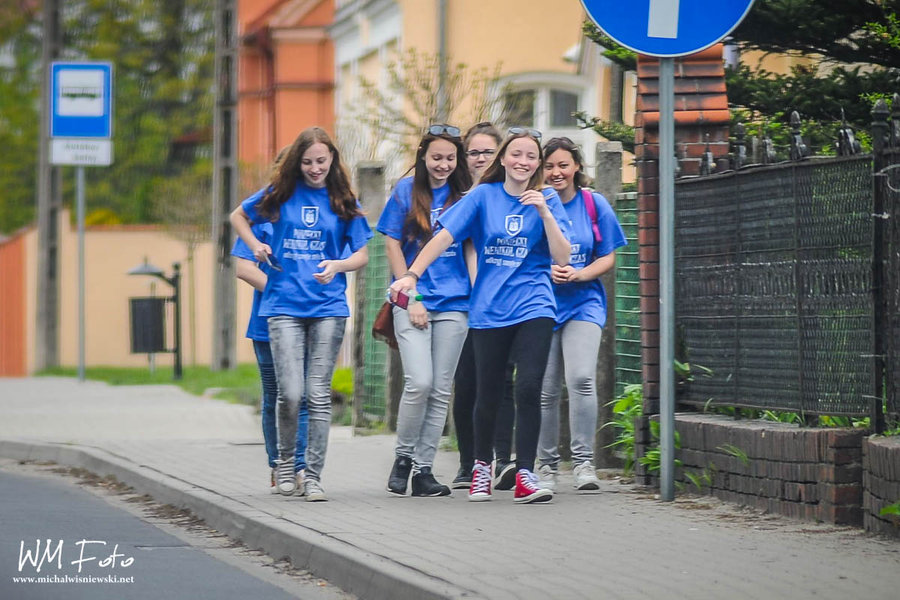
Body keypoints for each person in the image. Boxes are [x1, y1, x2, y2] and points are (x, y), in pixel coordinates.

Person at [390, 128, 571, 504]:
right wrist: (411, 275)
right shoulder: (483, 197)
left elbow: (562, 256)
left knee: (528, 386)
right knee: (487, 394)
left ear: (537, 164)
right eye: (516, 154)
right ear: (503, 159)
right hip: (489, 309)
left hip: (535, 304)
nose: (523, 162)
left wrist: (543, 211)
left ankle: (525, 473)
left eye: (531, 157)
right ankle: (481, 469)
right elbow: (443, 238)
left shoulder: (548, 199)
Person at [230, 127, 372, 501]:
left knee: (318, 395)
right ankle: (286, 465)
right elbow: (238, 217)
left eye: (321, 161)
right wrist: (256, 244)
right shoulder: (280, 195)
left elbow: (362, 254)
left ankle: (312, 475)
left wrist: (339, 265)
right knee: (289, 393)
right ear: (297, 163)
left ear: (332, 161)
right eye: (307, 162)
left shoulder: (343, 199)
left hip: (328, 308)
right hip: (282, 308)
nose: (314, 168)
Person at [377, 124, 473, 497]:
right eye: (436, 157)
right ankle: (403, 458)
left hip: (455, 301)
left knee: (440, 389)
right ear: (422, 157)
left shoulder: (465, 196)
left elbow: (469, 247)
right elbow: (391, 244)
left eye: (450, 158)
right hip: (411, 297)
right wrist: (411, 298)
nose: (443, 165)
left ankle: (424, 471)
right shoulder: (405, 191)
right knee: (420, 381)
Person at [537, 137, 627, 491]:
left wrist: (580, 273)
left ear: (576, 166)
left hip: (584, 303)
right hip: (541, 304)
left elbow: (608, 255)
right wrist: (548, 271)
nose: (556, 172)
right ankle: (545, 466)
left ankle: (584, 462)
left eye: (563, 165)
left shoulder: (594, 203)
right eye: (549, 166)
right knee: (545, 389)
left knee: (581, 379)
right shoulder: (534, 204)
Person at [451, 122, 518, 492]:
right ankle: (468, 463)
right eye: (473, 152)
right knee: (467, 384)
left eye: (487, 152)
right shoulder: (463, 197)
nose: (479, 159)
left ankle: (504, 460)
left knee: (503, 383)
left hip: (501, 305)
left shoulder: (506, 195)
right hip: (463, 304)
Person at [232, 220, 309, 494]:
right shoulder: (263, 217)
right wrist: (288, 293)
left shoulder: (323, 209)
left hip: (311, 319)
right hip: (268, 323)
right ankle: (278, 463)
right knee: (276, 395)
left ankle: (299, 467)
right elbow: (243, 268)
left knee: (303, 397)